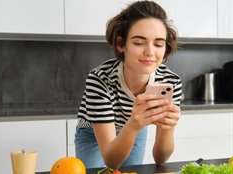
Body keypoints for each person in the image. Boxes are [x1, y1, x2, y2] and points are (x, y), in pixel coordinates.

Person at [74, 0, 182, 169]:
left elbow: (160, 159)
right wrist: (132, 126)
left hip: (136, 128)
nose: (150, 52)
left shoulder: (171, 82)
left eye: (158, 44)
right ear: (120, 44)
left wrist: (168, 128)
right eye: (139, 42)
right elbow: (111, 162)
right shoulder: (100, 79)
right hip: (93, 133)